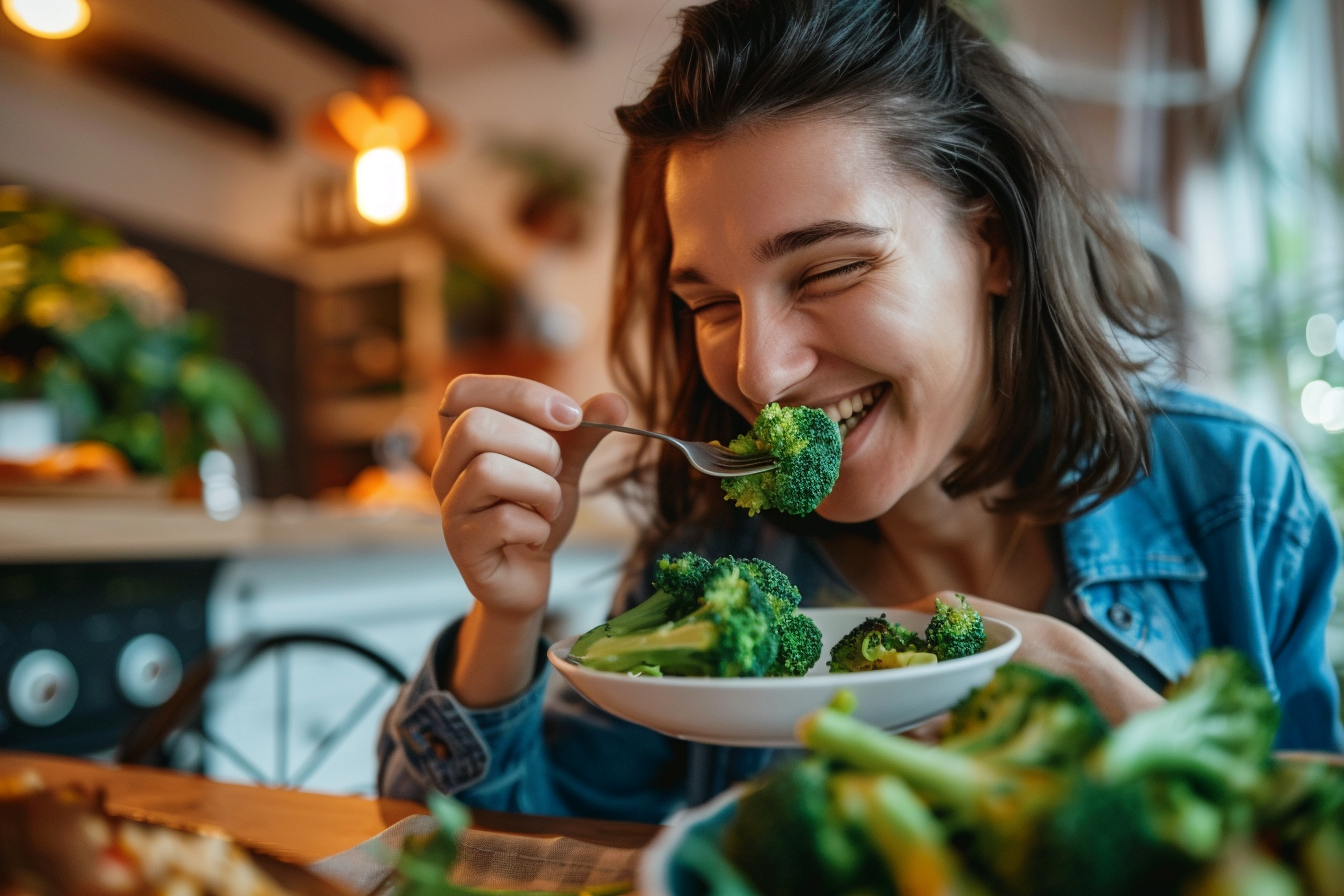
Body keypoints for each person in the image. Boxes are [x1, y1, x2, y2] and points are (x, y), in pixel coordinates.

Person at [377, 0, 1344, 820]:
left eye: (831, 268)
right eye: (712, 304)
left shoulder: (1236, 501)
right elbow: (477, 859)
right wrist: (505, 619)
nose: (760, 374)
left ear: (994, 245)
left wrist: (1113, 702)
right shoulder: (719, 560)